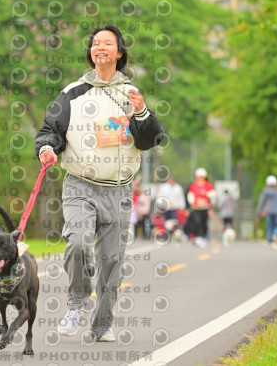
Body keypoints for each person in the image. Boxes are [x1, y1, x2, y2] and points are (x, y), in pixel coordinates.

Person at [34, 25, 164, 342]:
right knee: (78, 242)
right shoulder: (72, 92)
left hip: (119, 190)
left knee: (111, 261)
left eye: (107, 43)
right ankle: (76, 304)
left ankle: (102, 323)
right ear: (91, 53)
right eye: (95, 43)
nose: (100, 47)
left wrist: (141, 112)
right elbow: (50, 130)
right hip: (80, 184)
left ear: (119, 52)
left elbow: (149, 140)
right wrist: (47, 148)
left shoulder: (130, 94)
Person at [186, 168, 216, 248]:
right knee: (197, 222)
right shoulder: (193, 185)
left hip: (206, 208)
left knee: (204, 223)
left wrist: (211, 207)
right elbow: (190, 196)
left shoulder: (208, 185)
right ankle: (198, 237)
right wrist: (192, 203)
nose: (200, 178)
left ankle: (203, 237)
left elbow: (213, 196)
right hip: (196, 208)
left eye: (201, 176)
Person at [256, 175, 277, 245]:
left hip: (268, 211)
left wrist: (258, 213)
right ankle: (276, 235)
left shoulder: (265, 191)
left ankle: (269, 241)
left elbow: (261, 203)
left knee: (269, 226)